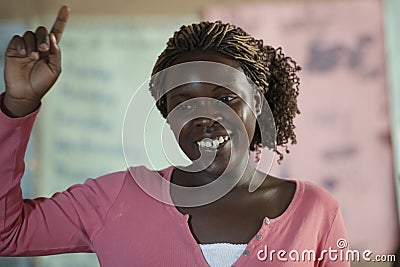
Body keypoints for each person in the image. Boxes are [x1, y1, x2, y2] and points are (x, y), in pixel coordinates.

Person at [0, 6, 349, 267]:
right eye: (184, 104)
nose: (207, 117)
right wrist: (18, 104)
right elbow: (8, 233)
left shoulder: (315, 211)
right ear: (167, 115)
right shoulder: (112, 200)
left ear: (257, 102)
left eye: (226, 97)